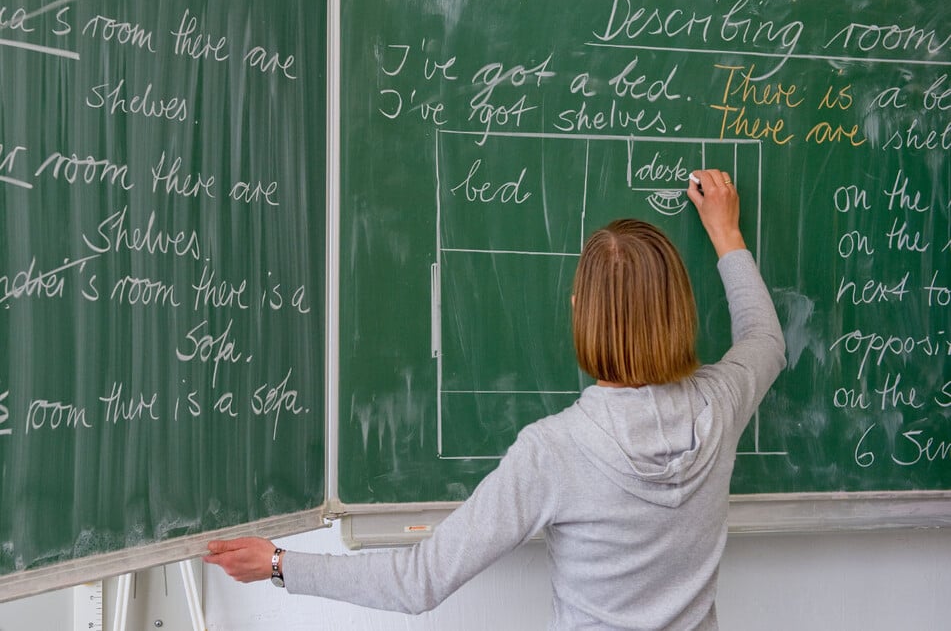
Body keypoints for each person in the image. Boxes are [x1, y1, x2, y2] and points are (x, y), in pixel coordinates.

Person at [204, 168, 787, 630]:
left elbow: (421, 582)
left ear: (580, 313)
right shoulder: (721, 405)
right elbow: (765, 339)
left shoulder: (555, 451)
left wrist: (280, 565)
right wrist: (726, 233)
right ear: (679, 311)